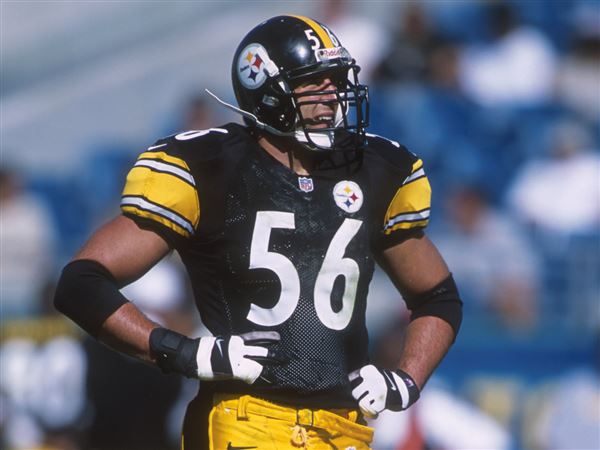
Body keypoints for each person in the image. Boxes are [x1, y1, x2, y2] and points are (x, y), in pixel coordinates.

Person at [54, 15, 462, 449]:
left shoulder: (373, 169)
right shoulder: (212, 166)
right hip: (244, 417)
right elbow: (82, 282)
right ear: (267, 89)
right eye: (315, 82)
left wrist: (407, 378)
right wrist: (184, 351)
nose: (333, 96)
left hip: (344, 428)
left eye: (336, 80)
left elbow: (437, 296)